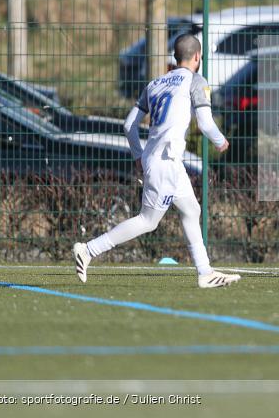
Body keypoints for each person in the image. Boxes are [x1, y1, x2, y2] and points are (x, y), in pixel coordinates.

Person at [73, 34, 241, 289]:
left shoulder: (155, 83)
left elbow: (129, 125)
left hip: (160, 158)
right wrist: (220, 141)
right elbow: (205, 123)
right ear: (197, 57)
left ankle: (205, 272)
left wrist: (139, 156)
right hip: (167, 160)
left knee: (191, 210)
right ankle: (88, 250)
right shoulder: (195, 81)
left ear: (175, 57)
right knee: (147, 221)